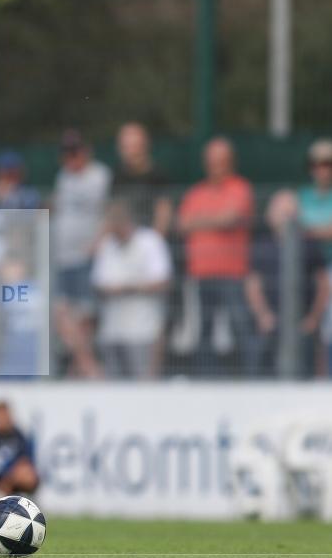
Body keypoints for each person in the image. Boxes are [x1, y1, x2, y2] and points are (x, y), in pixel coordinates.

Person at [177, 137, 254, 377]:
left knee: (241, 326)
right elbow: (182, 224)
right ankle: (206, 378)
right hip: (201, 273)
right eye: (212, 162)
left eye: (221, 161)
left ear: (231, 162)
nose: (217, 167)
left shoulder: (240, 188)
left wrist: (200, 221)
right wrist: (215, 219)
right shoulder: (196, 192)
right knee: (203, 331)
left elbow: (230, 218)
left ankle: (252, 377)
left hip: (232, 272)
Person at [245, 191, 329, 378]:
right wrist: (263, 315)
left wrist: (313, 318)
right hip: (271, 323)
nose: (286, 219)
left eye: (290, 213)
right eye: (282, 213)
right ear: (270, 216)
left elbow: (323, 284)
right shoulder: (261, 246)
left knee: (307, 368)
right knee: (262, 369)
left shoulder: (310, 245)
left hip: (303, 323)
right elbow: (253, 285)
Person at [52, 129, 112, 378]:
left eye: (75, 152)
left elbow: (108, 210)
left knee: (86, 316)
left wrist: (98, 241)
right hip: (63, 256)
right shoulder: (64, 176)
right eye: (67, 153)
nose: (71, 158)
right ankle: (87, 368)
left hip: (87, 256)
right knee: (63, 313)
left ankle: (83, 369)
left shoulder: (100, 176)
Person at [92, 200, 172, 379]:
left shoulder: (150, 241)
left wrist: (128, 288)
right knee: (114, 388)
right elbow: (99, 283)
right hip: (112, 330)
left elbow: (162, 281)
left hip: (144, 330)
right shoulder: (107, 244)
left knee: (144, 383)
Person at [297, 139, 332, 374]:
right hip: (305, 269)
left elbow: (299, 229)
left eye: (327, 163)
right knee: (309, 325)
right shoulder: (302, 196)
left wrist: (308, 230)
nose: (322, 169)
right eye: (317, 163)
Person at [113, 122, 172, 236]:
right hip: (124, 239)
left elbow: (164, 213)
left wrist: (152, 240)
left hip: (150, 239)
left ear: (144, 145)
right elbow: (115, 210)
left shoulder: (159, 175)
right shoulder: (118, 176)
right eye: (125, 146)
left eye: (133, 146)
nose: (129, 151)